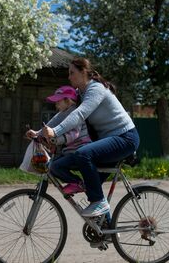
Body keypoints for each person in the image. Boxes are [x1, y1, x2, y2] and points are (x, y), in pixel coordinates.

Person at [41, 58, 140, 218]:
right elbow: (63, 115)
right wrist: (39, 133)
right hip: (107, 142)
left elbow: (79, 114)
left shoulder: (96, 89)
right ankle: (105, 227)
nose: (69, 77)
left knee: (83, 154)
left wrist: (56, 131)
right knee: (57, 165)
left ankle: (98, 201)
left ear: (83, 72)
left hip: (125, 138)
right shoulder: (81, 94)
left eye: (72, 73)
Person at [26, 86, 92, 194]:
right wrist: (37, 134)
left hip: (79, 151)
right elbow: (50, 125)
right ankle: (75, 183)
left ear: (68, 100)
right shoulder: (63, 113)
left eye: (58, 102)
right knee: (50, 166)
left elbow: (74, 134)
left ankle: (78, 183)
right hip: (69, 151)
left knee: (55, 167)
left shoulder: (76, 112)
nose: (56, 105)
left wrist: (55, 141)